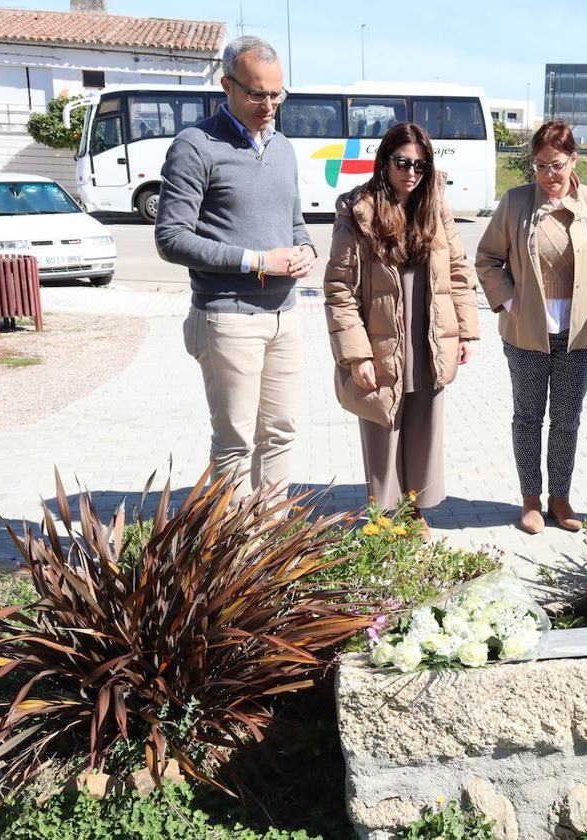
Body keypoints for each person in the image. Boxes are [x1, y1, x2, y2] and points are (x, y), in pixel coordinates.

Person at [155, 36, 315, 496]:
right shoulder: (195, 145)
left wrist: (304, 249)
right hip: (226, 316)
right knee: (235, 444)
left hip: (286, 314)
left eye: (277, 94)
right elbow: (170, 238)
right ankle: (230, 554)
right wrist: (257, 261)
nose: (269, 105)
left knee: (280, 434)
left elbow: (294, 220)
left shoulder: (282, 147)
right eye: (257, 93)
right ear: (226, 85)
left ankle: (268, 548)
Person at [324, 122, 480, 538]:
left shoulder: (436, 207)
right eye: (403, 163)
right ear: (385, 161)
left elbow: (460, 272)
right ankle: (381, 516)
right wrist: (355, 353)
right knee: (381, 425)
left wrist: (464, 331)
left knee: (423, 424)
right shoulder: (359, 210)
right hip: (380, 337)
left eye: (421, 165)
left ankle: (415, 513)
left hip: (428, 333)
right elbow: (339, 287)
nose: (412, 173)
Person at [476, 120, 587, 534]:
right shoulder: (516, 202)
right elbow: (487, 258)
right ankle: (530, 499)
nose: (548, 175)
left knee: (566, 419)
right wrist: (509, 302)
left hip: (578, 334)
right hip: (527, 332)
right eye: (540, 166)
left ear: (573, 160)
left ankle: (560, 496)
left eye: (556, 165)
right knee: (527, 417)